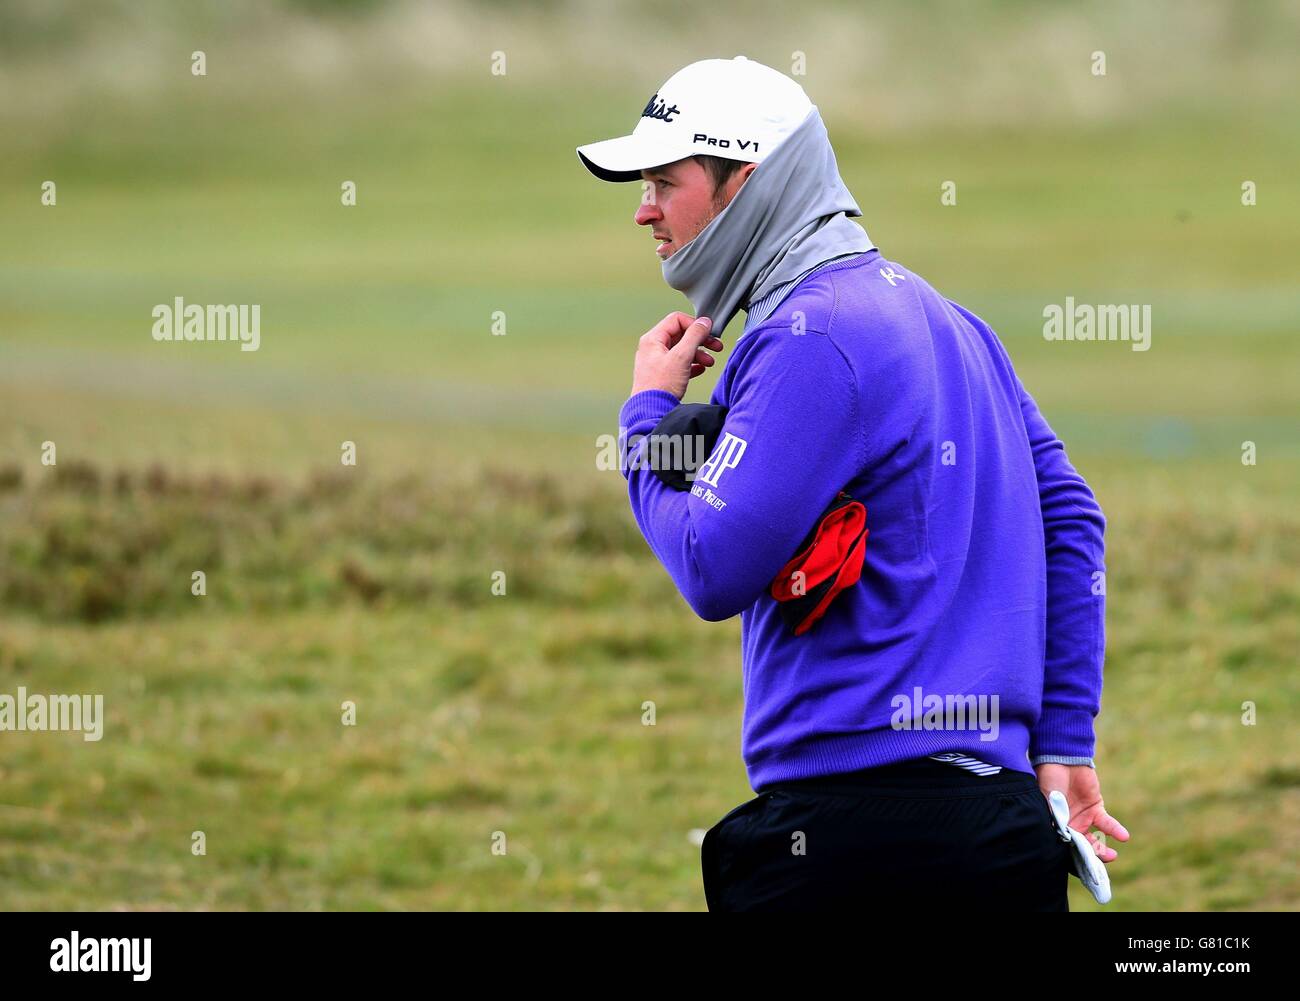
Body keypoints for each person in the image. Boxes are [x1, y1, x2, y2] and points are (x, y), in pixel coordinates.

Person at [577, 55, 1129, 911]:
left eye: (663, 181)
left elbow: (711, 563)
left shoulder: (811, 334)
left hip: (860, 847)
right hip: (1005, 832)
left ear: (743, 185)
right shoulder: (950, 319)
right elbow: (1072, 515)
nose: (644, 209)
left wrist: (648, 417)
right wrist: (1063, 733)